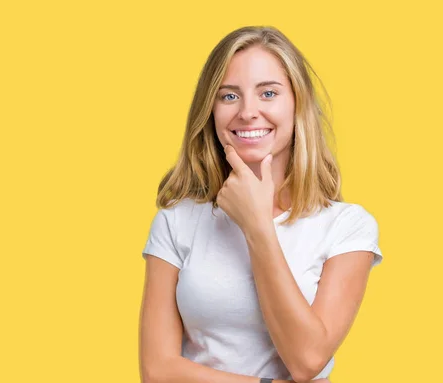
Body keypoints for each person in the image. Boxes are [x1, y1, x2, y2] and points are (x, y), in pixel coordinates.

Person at [138, 26, 383, 383]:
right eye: (229, 96)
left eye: (268, 93)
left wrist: (257, 226)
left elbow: (307, 359)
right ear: (210, 110)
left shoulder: (347, 228)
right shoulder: (176, 222)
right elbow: (157, 371)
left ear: (298, 103)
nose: (248, 112)